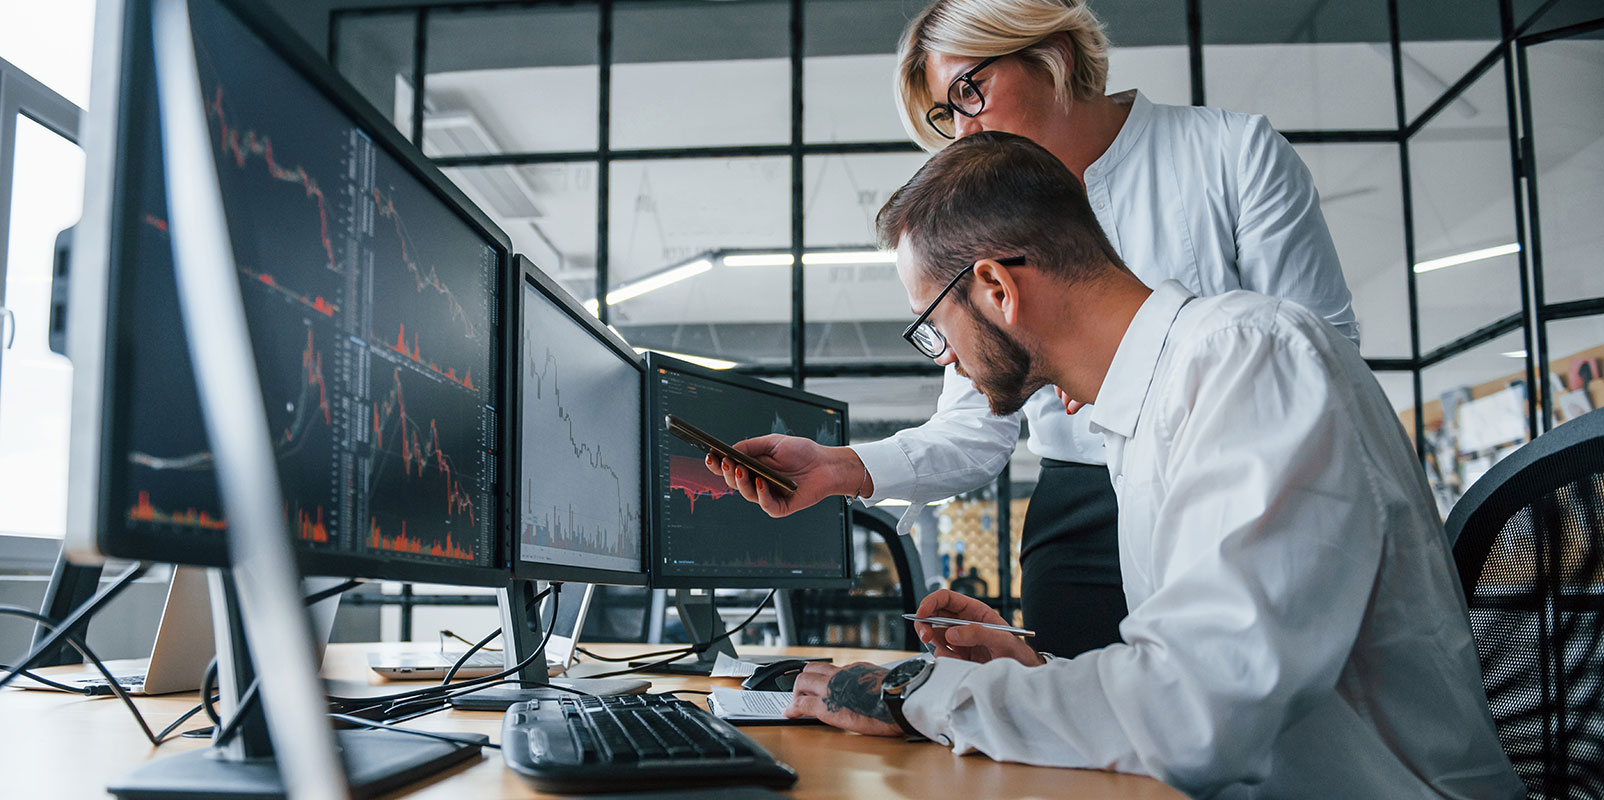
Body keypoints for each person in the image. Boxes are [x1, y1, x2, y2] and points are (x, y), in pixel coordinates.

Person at [776, 132, 1523, 798]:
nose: (947, 359)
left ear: (998, 287)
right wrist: (1031, 676)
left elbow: (1196, 719)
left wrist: (917, 690)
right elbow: (1190, 681)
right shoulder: (1153, 409)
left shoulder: (1245, 360)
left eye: (934, 328)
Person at [705, 0, 1359, 658]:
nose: (963, 132)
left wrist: (1140, 377)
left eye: (970, 91)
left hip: (1232, 476)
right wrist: (839, 467)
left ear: (1052, 56)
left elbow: (1320, 356)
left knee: (1173, 702)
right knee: (1078, 706)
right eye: (945, 114)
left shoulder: (1230, 153)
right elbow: (975, 422)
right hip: (1078, 506)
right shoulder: (991, 219)